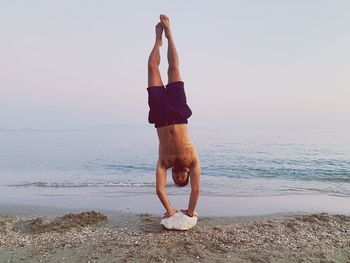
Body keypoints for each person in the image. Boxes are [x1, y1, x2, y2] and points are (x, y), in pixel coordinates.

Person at [147, 15, 201, 218]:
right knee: (173, 69)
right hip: (178, 113)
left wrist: (170, 212)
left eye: (176, 178)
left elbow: (159, 189)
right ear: (187, 174)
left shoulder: (164, 162)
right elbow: (195, 190)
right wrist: (190, 211)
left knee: (152, 66)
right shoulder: (193, 160)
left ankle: (156, 41)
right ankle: (168, 36)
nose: (179, 175)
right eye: (182, 177)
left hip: (160, 114)